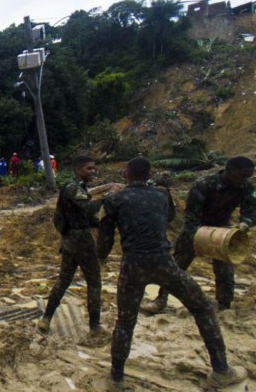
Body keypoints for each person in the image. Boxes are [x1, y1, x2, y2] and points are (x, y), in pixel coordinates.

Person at [98, 157, 247, 390]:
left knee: (125, 321)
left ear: (126, 174)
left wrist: (100, 258)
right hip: (164, 263)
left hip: (133, 266)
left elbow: (105, 241)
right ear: (148, 174)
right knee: (203, 307)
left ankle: (116, 379)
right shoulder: (161, 195)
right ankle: (221, 370)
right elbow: (167, 218)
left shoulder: (113, 200)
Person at [142, 156, 256, 314]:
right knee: (177, 266)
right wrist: (199, 236)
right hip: (196, 227)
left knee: (225, 270)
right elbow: (191, 215)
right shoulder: (205, 185)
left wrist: (245, 223)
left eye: (248, 177)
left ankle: (223, 304)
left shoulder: (247, 187)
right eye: (241, 176)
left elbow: (253, 210)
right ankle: (161, 299)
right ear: (229, 170)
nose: (244, 180)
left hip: (222, 230)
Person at [37, 156, 120, 335]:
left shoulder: (76, 187)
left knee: (64, 280)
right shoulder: (72, 187)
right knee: (94, 282)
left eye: (93, 168)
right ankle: (95, 326)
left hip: (69, 242)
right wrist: (109, 195)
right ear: (78, 170)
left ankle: (46, 318)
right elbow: (89, 208)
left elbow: (85, 210)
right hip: (81, 241)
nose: (93, 171)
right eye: (89, 168)